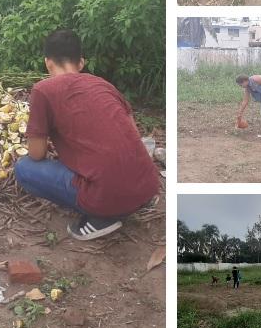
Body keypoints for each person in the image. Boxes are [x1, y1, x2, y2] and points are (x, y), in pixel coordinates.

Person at [14, 30, 161, 241]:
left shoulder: (43, 90)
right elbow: (134, 136)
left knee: (24, 168)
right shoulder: (104, 85)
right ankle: (136, 200)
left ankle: (103, 216)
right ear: (81, 63)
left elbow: (36, 154)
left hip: (106, 196)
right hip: (147, 185)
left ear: (47, 63)